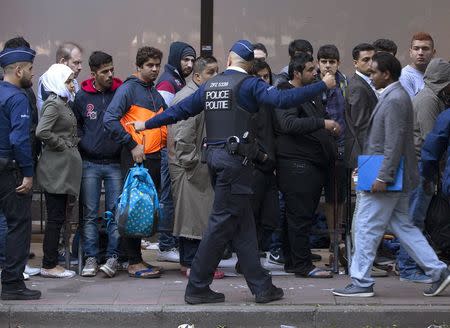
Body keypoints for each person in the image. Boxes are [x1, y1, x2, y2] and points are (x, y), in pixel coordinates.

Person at [130, 39, 337, 304]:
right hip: (236, 163)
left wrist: (146, 123)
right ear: (250, 64)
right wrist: (323, 85)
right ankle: (197, 287)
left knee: (242, 224)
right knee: (219, 226)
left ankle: (262, 287)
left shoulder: (211, 85)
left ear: (228, 59)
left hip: (215, 160)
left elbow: (179, 111)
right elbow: (283, 98)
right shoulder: (249, 85)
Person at [333, 53, 450, 298]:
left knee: (366, 227)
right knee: (404, 227)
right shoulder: (395, 95)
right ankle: (438, 271)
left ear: (386, 74)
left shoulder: (395, 98)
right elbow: (388, 142)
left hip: (386, 177)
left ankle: (361, 281)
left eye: (374, 72)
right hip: (389, 174)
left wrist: (382, 177)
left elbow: (393, 143)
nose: (371, 75)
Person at [274, 53, 340, 278]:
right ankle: (302, 265)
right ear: (296, 73)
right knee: (299, 217)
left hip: (310, 165)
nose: (316, 73)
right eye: (311, 70)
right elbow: (288, 123)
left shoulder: (308, 95)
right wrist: (323, 123)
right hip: (297, 166)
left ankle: (294, 261)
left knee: (297, 217)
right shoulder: (287, 93)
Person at [103, 46, 166, 279]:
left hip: (154, 158)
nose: (155, 69)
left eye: (158, 65)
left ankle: (128, 258)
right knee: (134, 208)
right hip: (136, 158)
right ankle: (134, 262)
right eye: (150, 65)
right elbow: (109, 120)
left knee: (143, 209)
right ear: (138, 67)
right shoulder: (128, 89)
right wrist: (131, 144)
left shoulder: (154, 92)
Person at [168, 56, 223, 279]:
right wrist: (193, 163)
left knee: (195, 215)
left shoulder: (198, 93)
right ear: (198, 76)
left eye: (218, 71)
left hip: (193, 163)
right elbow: (182, 137)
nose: (216, 76)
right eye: (211, 72)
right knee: (191, 216)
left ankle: (190, 262)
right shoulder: (190, 96)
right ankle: (191, 264)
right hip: (188, 165)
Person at [397, 58, 450, 283]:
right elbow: (431, 141)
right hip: (421, 168)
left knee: (413, 218)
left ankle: (412, 266)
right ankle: (408, 269)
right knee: (414, 220)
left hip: (417, 165)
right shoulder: (430, 100)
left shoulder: (427, 95)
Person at [72, 51, 123, 277]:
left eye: (112, 69)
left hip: (114, 162)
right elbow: (77, 125)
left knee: (115, 212)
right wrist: (85, 143)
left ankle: (113, 257)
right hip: (90, 163)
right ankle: (91, 258)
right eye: (104, 72)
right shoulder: (82, 97)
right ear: (93, 74)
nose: (110, 75)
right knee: (90, 214)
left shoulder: (119, 92)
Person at [0, 38, 41, 300]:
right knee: (18, 225)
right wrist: (28, 172)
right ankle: (13, 284)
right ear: (18, 71)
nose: (32, 73)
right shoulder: (17, 98)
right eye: (30, 68)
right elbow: (19, 138)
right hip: (11, 170)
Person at [36, 63, 82, 278]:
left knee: (59, 216)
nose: (72, 84)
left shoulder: (63, 102)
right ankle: (49, 264)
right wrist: (61, 144)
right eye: (68, 80)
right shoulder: (53, 104)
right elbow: (42, 131)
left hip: (63, 168)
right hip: (56, 169)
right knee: (55, 218)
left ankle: (51, 262)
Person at [155, 41, 196, 263]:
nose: (189, 64)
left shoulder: (178, 80)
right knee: (169, 198)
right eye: (185, 59)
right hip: (168, 149)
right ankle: (165, 244)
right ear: (175, 59)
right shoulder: (168, 83)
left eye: (192, 60)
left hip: (172, 148)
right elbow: (168, 119)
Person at [316, 44, 348, 248]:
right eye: (324, 62)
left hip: (340, 145)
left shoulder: (344, 83)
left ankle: (337, 238)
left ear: (338, 63)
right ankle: (329, 235)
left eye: (332, 62)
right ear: (318, 63)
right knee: (319, 196)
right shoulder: (312, 82)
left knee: (338, 195)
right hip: (317, 146)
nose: (328, 66)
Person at [37, 42, 83, 112]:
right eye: (76, 63)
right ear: (63, 62)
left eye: (80, 63)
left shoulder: (73, 80)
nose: (80, 67)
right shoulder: (48, 82)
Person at [399, 32, 436, 99]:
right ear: (410, 52)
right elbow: (411, 108)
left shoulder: (436, 75)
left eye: (425, 49)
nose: (420, 53)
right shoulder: (404, 76)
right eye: (416, 49)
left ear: (433, 53)